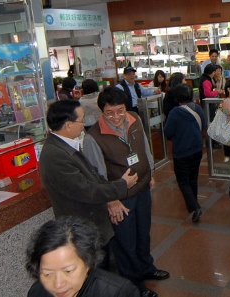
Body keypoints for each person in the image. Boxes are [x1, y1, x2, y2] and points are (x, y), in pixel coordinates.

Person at [83, 87, 169, 297]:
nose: (116, 117)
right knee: (125, 244)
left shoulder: (134, 119)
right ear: (101, 110)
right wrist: (111, 201)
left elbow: (144, 148)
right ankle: (134, 284)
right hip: (121, 199)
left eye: (120, 111)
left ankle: (146, 268)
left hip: (142, 189)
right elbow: (97, 175)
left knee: (143, 234)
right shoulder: (93, 137)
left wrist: (150, 173)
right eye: (109, 112)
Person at [39, 100, 138, 271]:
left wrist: (113, 194)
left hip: (93, 226)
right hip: (82, 229)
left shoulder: (68, 145)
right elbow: (87, 190)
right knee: (96, 276)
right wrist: (122, 185)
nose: (84, 124)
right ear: (68, 125)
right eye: (81, 120)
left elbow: (94, 176)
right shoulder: (55, 156)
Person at [26, 216, 140, 297]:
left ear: (88, 263)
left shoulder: (119, 292)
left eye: (68, 271)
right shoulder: (37, 292)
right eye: (47, 274)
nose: (58, 284)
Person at [164, 84, 206, 222]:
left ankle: (195, 207)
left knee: (183, 181)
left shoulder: (175, 112)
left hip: (181, 151)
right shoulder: (197, 108)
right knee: (193, 178)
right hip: (197, 148)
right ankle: (194, 204)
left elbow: (168, 132)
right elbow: (204, 126)